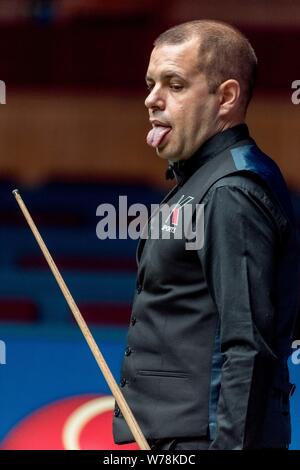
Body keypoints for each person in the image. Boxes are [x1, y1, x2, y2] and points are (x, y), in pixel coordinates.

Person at [112, 20, 300, 450]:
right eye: (151, 83)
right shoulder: (200, 181)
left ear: (227, 97)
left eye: (174, 84)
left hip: (204, 442)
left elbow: (248, 345)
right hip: (172, 440)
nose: (151, 99)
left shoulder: (232, 191)